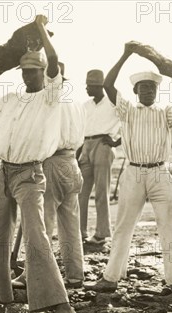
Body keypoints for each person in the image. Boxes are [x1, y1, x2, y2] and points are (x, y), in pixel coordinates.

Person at [0, 15, 76, 313]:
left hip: (30, 174)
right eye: (26, 72)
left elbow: (55, 58)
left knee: (35, 237)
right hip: (5, 173)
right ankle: (4, 296)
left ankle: (60, 305)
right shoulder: (12, 98)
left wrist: (40, 27)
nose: (29, 76)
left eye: (35, 72)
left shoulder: (50, 96)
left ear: (44, 74)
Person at [86, 41, 172, 295]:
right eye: (143, 87)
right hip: (133, 172)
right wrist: (125, 54)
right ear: (135, 91)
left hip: (159, 172)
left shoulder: (166, 111)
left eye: (152, 88)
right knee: (124, 225)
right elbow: (109, 85)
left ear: (156, 91)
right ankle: (111, 278)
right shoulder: (127, 110)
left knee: (170, 225)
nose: (148, 91)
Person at [12, 62, 86, 290]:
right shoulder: (76, 102)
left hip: (52, 162)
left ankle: (33, 276)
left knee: (41, 224)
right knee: (70, 224)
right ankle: (75, 276)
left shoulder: (49, 102)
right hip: (72, 162)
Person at [78, 70, 121, 245]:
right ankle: (80, 232)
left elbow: (130, 121)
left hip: (103, 145)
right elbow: (80, 131)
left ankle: (101, 233)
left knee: (102, 191)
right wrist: (76, 155)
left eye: (89, 86)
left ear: (99, 86)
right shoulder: (85, 106)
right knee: (81, 192)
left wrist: (117, 142)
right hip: (85, 146)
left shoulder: (112, 103)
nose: (87, 88)